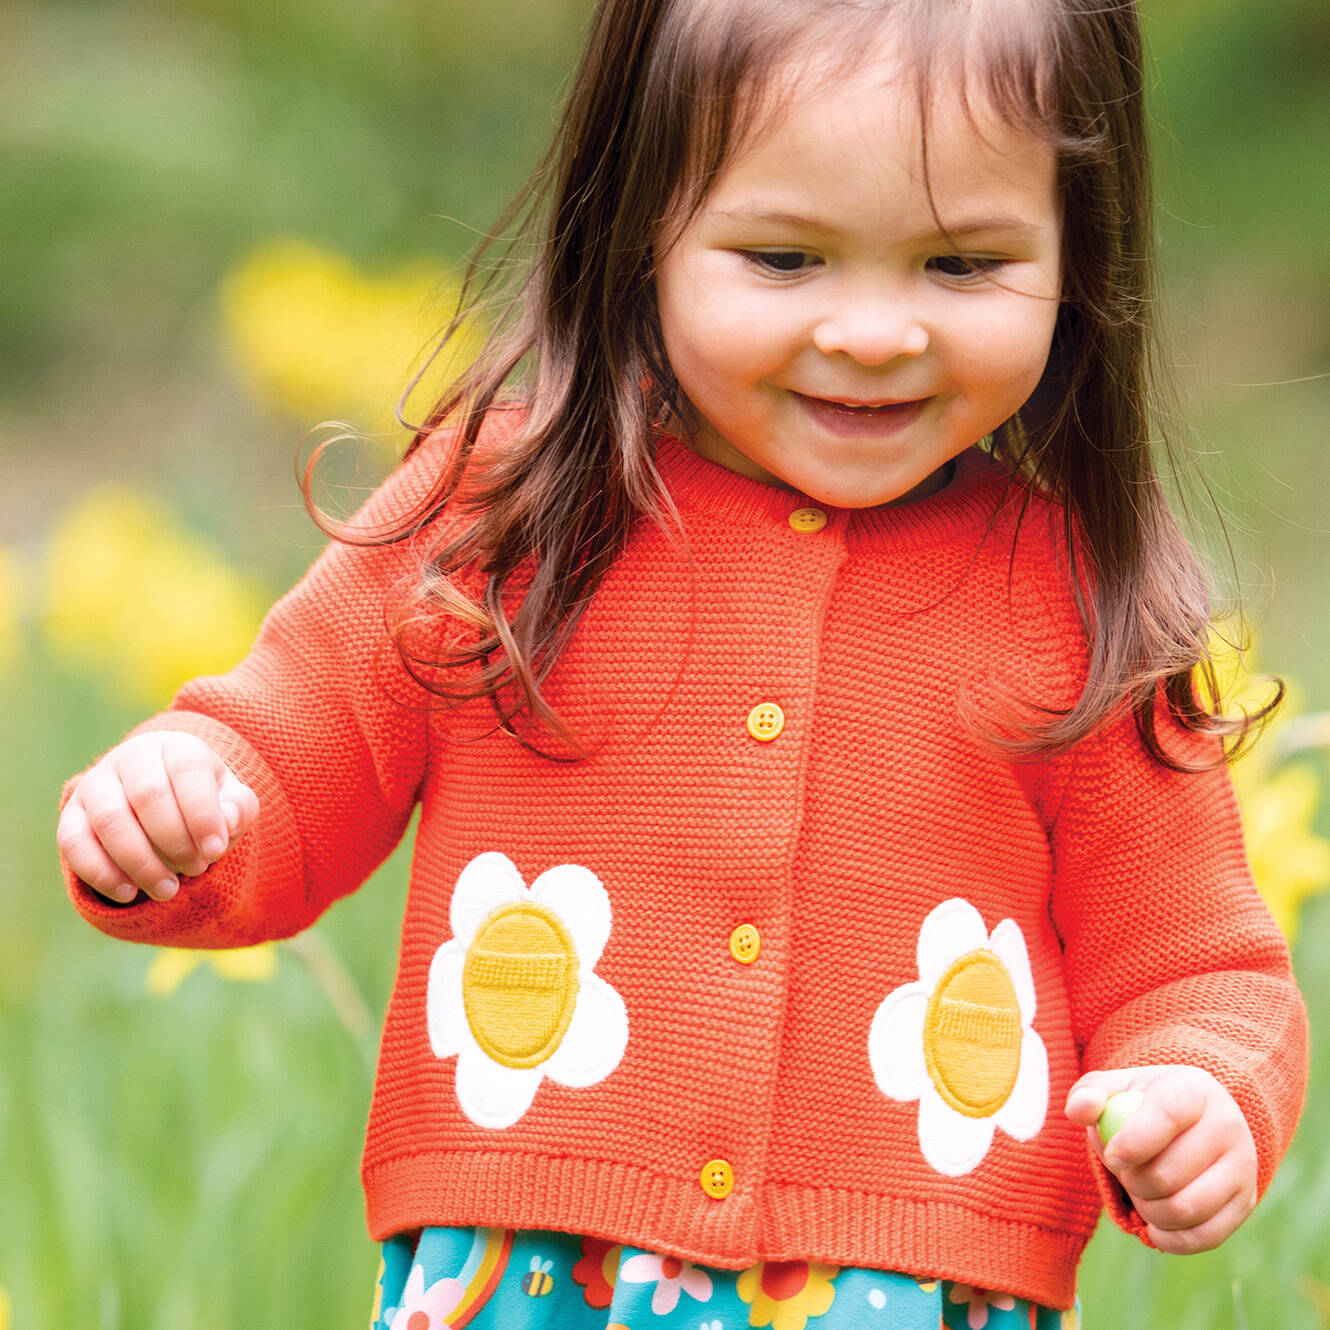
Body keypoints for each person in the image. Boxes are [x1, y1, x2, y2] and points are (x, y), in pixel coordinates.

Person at [56, 0, 1308, 1324]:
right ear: (637, 229)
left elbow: (1194, 965)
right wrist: (183, 804)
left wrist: (1199, 1086)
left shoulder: (1069, 598)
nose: (875, 332)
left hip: (910, 1283)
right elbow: (287, 749)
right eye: (782, 259)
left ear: (1076, 251)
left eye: (958, 265)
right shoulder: (503, 518)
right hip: (527, 1272)